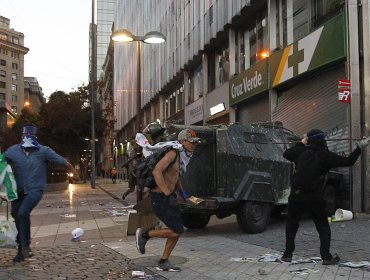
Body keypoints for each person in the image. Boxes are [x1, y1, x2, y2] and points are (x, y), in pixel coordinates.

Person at [281, 128, 368, 265]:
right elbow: (349, 161)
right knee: (322, 227)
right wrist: (358, 148)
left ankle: (287, 254)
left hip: (297, 196)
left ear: (309, 140)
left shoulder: (300, 151)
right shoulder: (326, 155)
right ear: (322, 140)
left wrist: (301, 143)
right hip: (315, 198)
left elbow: (286, 154)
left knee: (291, 225)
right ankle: (326, 257)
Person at [4, 124, 72, 262]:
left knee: (23, 213)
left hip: (35, 189)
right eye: (25, 136)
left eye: (31, 136)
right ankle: (20, 249)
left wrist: (73, 171)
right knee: (16, 215)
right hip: (18, 191)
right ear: (22, 136)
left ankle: (25, 246)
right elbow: (1, 162)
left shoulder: (43, 151)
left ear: (35, 137)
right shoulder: (13, 151)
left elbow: (60, 160)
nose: (27, 138)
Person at [135, 128, 200, 272]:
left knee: (177, 230)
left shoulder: (182, 157)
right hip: (160, 198)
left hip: (168, 198)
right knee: (176, 231)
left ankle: (164, 260)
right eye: (191, 142)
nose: (194, 145)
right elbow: (156, 171)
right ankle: (145, 234)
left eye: (195, 142)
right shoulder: (173, 153)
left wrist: (183, 195)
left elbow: (175, 177)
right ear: (182, 142)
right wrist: (165, 192)